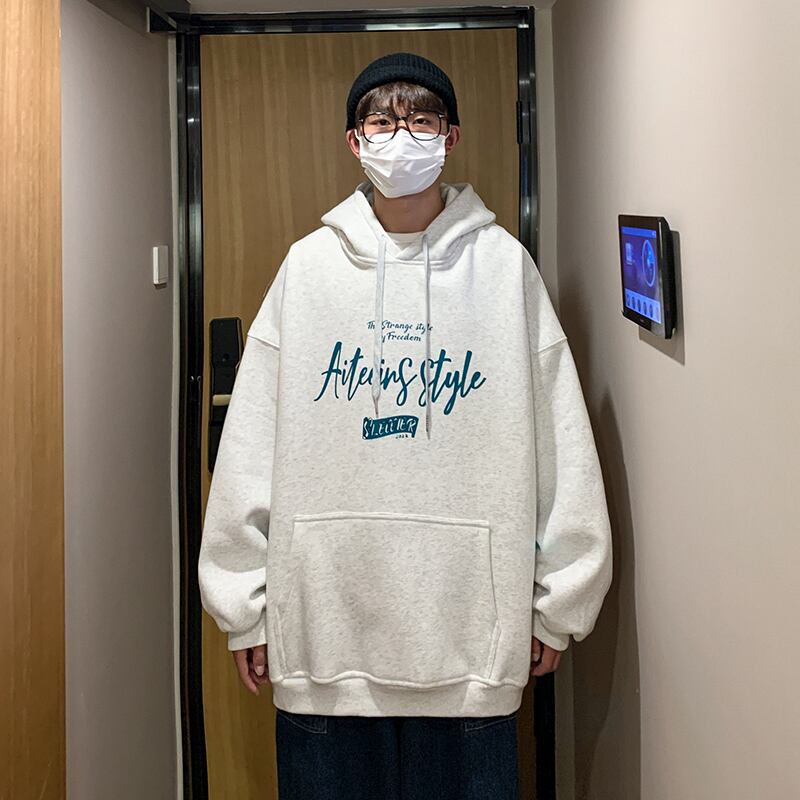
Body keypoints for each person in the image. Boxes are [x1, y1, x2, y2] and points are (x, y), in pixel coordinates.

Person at [198, 51, 613, 800]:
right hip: (324, 644)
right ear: (353, 142)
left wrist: (559, 604)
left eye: (421, 119)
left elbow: (562, 441)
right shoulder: (307, 269)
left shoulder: (505, 269)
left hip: (468, 649)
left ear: (450, 137)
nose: (402, 136)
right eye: (381, 122)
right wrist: (243, 606)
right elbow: (251, 439)